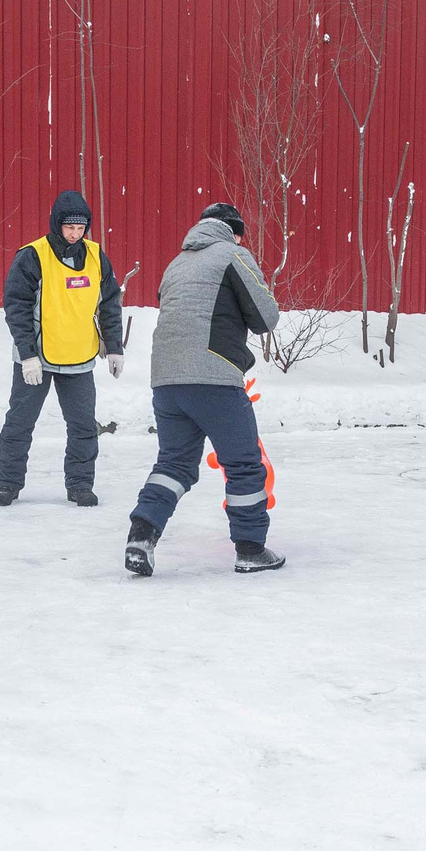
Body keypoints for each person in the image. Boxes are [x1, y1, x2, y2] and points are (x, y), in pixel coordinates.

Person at [124, 202, 282, 576]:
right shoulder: (233, 254)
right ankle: (250, 549)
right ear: (234, 231)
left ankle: (140, 536)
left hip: (166, 381)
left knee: (173, 464)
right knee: (244, 463)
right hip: (213, 377)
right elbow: (266, 316)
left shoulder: (176, 264)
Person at [0, 189, 125, 506]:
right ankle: (8, 485)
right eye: (70, 227)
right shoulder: (32, 256)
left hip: (78, 357)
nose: (75, 234)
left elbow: (109, 303)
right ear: (57, 224)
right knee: (20, 424)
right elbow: (17, 307)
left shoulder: (96, 256)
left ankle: (80, 485)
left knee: (83, 427)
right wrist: (27, 354)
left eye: (81, 228)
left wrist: (115, 347)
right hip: (36, 358)